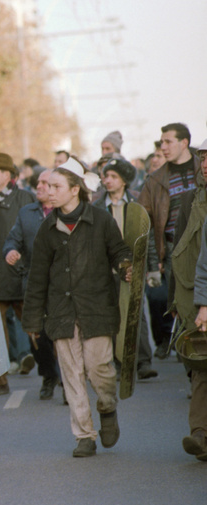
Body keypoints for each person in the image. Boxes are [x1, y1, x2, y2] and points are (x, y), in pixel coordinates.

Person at [23, 158, 131, 457]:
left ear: (75, 190)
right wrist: (33, 319)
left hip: (97, 307)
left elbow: (119, 251)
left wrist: (125, 267)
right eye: (47, 186)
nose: (49, 191)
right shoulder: (47, 228)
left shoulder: (101, 220)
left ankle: (107, 406)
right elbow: (38, 276)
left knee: (100, 369)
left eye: (56, 186)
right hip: (61, 312)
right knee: (71, 375)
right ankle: (84, 435)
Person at [93, 158, 158, 380]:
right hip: (108, 270)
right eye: (105, 176)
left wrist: (152, 268)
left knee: (136, 314)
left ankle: (142, 362)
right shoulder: (98, 207)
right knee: (114, 315)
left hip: (134, 266)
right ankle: (120, 363)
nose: (107, 181)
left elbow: (146, 237)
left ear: (124, 181)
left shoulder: (137, 204)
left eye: (113, 177)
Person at [139, 123, 198, 360]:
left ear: (184, 143)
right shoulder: (155, 180)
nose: (162, 147)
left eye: (168, 142)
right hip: (176, 248)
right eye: (161, 142)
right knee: (183, 308)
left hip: (203, 245)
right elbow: (146, 224)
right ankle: (193, 369)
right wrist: (155, 262)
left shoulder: (201, 167)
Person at [3, 169, 62, 400]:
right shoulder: (26, 213)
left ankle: (69, 383)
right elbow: (12, 240)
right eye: (38, 182)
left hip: (62, 286)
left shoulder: (66, 212)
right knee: (37, 336)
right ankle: (49, 375)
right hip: (34, 285)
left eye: (45, 183)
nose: (38, 186)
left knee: (63, 335)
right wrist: (11, 251)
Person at [0, 153, 36, 396]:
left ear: (7, 175)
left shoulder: (25, 198)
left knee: (38, 328)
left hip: (22, 275)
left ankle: (56, 375)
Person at [172, 138, 207, 460]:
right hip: (199, 295)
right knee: (201, 366)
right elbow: (181, 251)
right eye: (204, 158)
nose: (206, 164)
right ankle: (199, 434)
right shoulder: (190, 200)